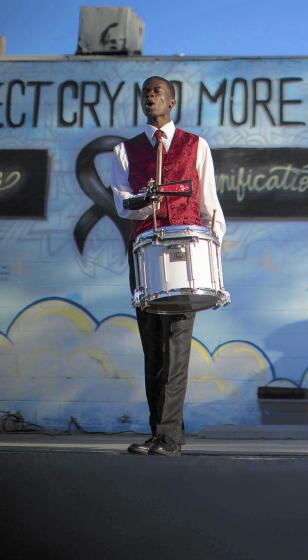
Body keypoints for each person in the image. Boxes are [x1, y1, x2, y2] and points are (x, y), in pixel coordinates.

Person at [110, 76, 226, 457]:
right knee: (153, 347)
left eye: (157, 91)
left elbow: (210, 204)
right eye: (145, 92)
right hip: (145, 255)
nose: (150, 96)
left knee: (177, 344)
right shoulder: (124, 151)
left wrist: (212, 255)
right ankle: (161, 430)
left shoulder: (197, 145)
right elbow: (122, 204)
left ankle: (168, 437)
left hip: (185, 255)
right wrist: (148, 200)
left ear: (172, 101)